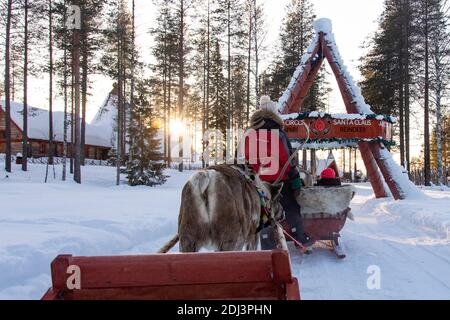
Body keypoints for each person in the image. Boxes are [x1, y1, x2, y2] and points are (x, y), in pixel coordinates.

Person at [245, 95, 311, 249]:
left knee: (264, 211)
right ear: (274, 115)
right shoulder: (279, 134)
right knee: (292, 206)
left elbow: (245, 159)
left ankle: (267, 241)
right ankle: (299, 237)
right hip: (278, 182)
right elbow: (287, 161)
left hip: (258, 183)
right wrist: (295, 180)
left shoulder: (250, 134)